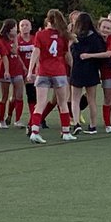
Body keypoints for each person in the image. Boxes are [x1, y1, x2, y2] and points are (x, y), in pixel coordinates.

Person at [26, 9, 75, 144]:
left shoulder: (40, 35)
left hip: (43, 72)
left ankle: (34, 131)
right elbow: (67, 55)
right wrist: (73, 68)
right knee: (62, 102)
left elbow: (35, 52)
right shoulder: (63, 35)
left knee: (40, 103)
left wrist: (30, 71)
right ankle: (65, 131)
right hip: (59, 72)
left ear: (48, 20)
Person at [69, 12, 110, 135]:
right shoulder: (96, 37)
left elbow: (71, 52)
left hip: (77, 69)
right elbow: (101, 53)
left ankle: (76, 123)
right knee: (92, 99)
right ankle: (93, 125)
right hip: (91, 69)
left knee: (75, 99)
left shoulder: (75, 37)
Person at [16, 18, 38, 129]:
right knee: (16, 95)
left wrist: (36, 68)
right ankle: (11, 116)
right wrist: (24, 68)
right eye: (22, 25)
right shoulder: (17, 40)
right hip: (19, 70)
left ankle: (33, 119)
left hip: (32, 71)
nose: (24, 27)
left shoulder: (35, 39)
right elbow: (16, 55)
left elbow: (39, 53)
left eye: (26, 25)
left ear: (30, 27)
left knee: (32, 94)